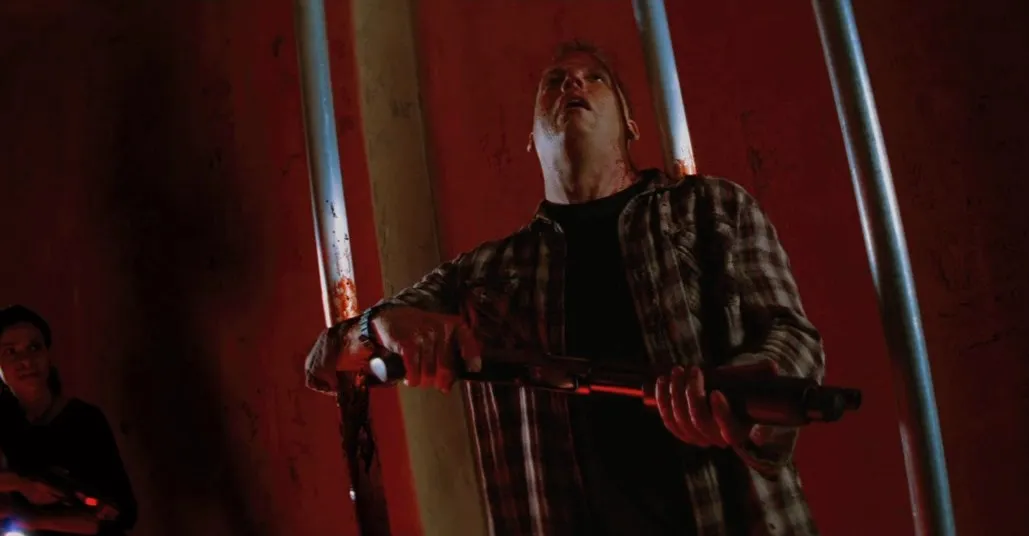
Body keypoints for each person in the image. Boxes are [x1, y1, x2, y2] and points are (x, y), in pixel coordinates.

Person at [305, 41, 824, 536]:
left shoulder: (714, 209)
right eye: (554, 82)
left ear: (630, 124)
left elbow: (793, 336)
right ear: (532, 136)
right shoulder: (486, 272)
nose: (573, 82)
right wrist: (379, 326)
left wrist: (743, 394)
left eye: (594, 78)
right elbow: (325, 363)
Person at [0, 305, 138, 535]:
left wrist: (35, 520)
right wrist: (22, 483)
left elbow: (122, 514)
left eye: (34, 347)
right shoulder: (6, 421)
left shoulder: (84, 421)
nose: (26, 361)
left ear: (48, 355)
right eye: (10, 351)